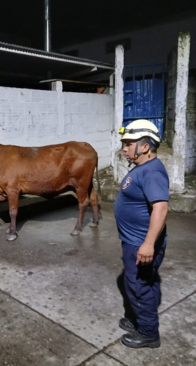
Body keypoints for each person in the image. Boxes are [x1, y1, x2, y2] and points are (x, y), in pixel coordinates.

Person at [114, 119, 169, 349]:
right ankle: (139, 319)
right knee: (145, 281)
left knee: (138, 287)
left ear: (144, 147)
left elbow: (161, 207)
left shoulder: (152, 172)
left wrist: (148, 244)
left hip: (140, 243)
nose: (124, 148)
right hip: (134, 241)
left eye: (128, 143)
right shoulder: (143, 169)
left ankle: (148, 333)